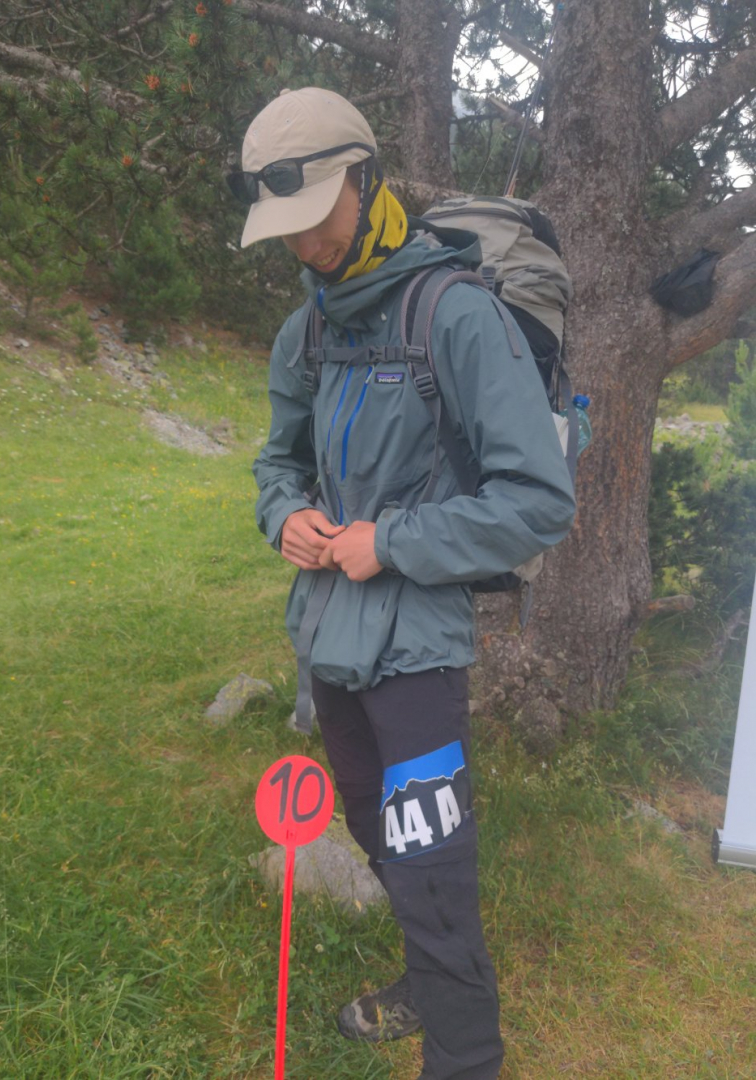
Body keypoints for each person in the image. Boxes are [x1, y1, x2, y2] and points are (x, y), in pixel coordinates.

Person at [231, 86, 575, 1080]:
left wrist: (392, 542)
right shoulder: (307, 332)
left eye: (316, 219)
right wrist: (284, 515)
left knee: (433, 863)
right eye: (285, 231)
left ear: (366, 179)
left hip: (418, 641)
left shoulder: (456, 316)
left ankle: (465, 1054)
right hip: (329, 634)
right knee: (374, 824)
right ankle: (428, 979)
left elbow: (537, 501)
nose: (305, 246)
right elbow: (276, 462)